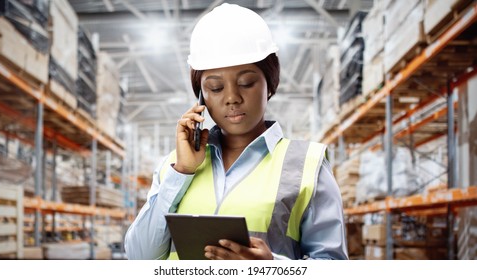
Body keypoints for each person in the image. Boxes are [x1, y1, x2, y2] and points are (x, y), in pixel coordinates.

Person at [125, 3, 348, 260]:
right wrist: (182, 172)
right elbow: (138, 258)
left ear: (270, 84)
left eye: (246, 82)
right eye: (216, 88)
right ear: (200, 97)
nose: (232, 98)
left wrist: (274, 268)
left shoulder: (307, 166)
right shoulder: (172, 168)